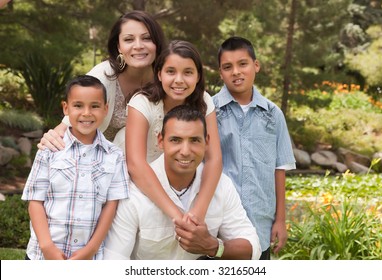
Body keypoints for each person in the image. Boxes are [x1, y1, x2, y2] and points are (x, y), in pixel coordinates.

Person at [104, 105, 261, 260]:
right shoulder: (134, 193)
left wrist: (213, 246)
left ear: (207, 142)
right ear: (160, 141)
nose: (185, 151)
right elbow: (114, 261)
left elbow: (252, 248)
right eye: (176, 140)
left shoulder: (222, 186)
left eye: (194, 140)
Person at [22, 75, 130, 260]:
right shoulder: (50, 149)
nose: (86, 113)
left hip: (88, 257)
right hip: (43, 255)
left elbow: (111, 205)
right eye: (78, 105)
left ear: (105, 109)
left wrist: (92, 248)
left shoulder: (114, 155)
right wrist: (47, 246)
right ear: (66, 108)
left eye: (94, 106)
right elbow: (35, 200)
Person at [213, 36, 296, 259]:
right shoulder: (209, 110)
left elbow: (279, 168)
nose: (236, 72)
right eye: (228, 67)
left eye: (243, 64)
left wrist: (280, 219)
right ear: (220, 73)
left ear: (255, 66)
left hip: (261, 221)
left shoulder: (273, 114)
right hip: (221, 223)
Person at [37, 10, 166, 152]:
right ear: (119, 47)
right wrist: (51, 139)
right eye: (129, 39)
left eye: (147, 38)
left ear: (157, 43)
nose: (138, 45)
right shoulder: (102, 76)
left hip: (148, 159)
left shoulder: (167, 77)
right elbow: (70, 122)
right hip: (95, 159)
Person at [125, 40, 222, 221]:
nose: (179, 80)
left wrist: (197, 213)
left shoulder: (204, 100)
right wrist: (177, 215)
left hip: (181, 180)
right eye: (171, 72)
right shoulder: (141, 103)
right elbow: (135, 164)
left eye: (188, 72)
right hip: (140, 184)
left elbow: (214, 159)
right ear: (159, 74)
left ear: (198, 76)